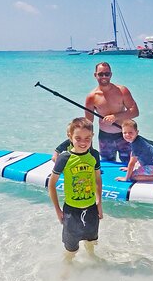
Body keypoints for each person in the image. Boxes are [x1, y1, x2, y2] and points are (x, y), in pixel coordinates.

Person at [48, 117, 103, 256]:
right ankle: (68, 265)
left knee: (91, 242)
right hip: (71, 211)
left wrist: (99, 203)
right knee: (71, 248)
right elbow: (52, 185)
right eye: (78, 138)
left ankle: (92, 260)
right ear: (70, 137)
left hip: (91, 209)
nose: (83, 142)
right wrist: (58, 210)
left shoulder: (94, 155)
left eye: (87, 138)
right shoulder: (64, 158)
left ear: (92, 137)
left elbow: (97, 179)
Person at [85, 62, 139, 162]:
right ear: (95, 75)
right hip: (105, 138)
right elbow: (88, 124)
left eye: (107, 74)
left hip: (125, 136)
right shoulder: (91, 97)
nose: (104, 77)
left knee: (129, 165)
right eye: (100, 74)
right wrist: (88, 148)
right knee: (107, 166)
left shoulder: (122, 91)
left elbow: (135, 112)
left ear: (111, 75)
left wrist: (115, 117)